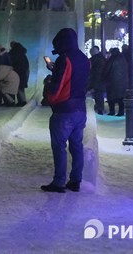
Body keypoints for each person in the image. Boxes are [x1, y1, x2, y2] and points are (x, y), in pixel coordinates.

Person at [41, 28, 90, 193]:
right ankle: (75, 180)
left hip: (64, 110)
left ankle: (59, 182)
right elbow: (76, 79)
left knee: (59, 146)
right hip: (80, 108)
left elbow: (59, 85)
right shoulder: (84, 59)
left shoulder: (64, 59)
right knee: (76, 145)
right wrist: (55, 69)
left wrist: (49, 92)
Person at [103, 47, 128, 116]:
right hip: (122, 82)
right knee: (121, 98)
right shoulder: (123, 59)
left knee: (111, 98)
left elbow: (106, 69)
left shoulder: (112, 59)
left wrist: (103, 78)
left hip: (112, 81)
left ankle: (112, 111)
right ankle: (121, 111)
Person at [88, 46, 106, 115]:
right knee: (99, 95)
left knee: (98, 95)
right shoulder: (103, 58)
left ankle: (100, 109)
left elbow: (94, 73)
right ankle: (100, 108)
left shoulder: (93, 60)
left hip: (97, 80)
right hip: (101, 80)